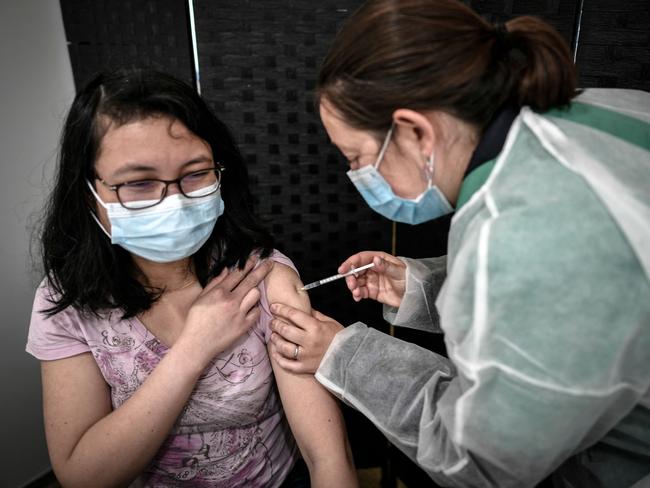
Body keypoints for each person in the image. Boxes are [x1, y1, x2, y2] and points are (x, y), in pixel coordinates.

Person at [268, 0, 650, 487]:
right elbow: (590, 283)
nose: (356, 177)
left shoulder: (520, 235)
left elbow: (482, 460)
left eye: (357, 157)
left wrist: (345, 356)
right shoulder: (605, 110)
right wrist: (422, 287)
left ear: (415, 132)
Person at [26, 69, 358, 488]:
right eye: (140, 182)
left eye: (196, 174)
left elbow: (328, 456)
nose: (176, 201)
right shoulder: (67, 301)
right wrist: (194, 348)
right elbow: (82, 476)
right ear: (89, 192)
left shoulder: (260, 274)